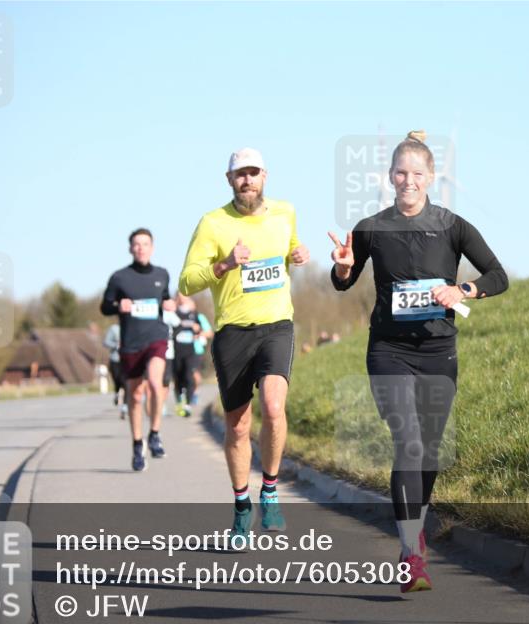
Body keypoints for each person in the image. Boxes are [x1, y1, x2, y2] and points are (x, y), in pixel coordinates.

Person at [329, 130, 508, 593]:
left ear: (431, 177)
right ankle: (411, 553)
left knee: (427, 452)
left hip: (438, 351)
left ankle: (416, 532)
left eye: (417, 174)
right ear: (390, 177)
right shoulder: (371, 228)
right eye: (401, 173)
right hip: (388, 350)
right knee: (407, 442)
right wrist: (345, 266)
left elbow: (497, 275)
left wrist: (463, 290)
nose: (409, 180)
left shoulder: (453, 226)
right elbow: (342, 282)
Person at [179, 147, 309, 541]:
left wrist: (298, 253)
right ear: (229, 179)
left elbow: (291, 247)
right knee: (237, 428)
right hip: (233, 331)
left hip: (276, 325)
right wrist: (224, 265)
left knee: (273, 406)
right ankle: (241, 504)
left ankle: (269, 490)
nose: (247, 180)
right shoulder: (212, 223)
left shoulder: (285, 213)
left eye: (253, 172)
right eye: (240, 174)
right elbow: (186, 282)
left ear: (265, 176)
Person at [100, 228, 176, 471]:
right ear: (130, 248)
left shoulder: (162, 274)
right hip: (131, 342)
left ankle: (154, 433)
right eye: (137, 244)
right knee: (134, 395)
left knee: (155, 384)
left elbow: (164, 299)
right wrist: (117, 306)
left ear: (152, 248)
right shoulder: (119, 278)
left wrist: (169, 303)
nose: (141, 248)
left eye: (145, 243)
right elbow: (105, 306)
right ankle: (136, 443)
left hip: (156, 337)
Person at [171, 292, 213, 417]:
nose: (182, 299)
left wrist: (199, 333)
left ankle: (188, 403)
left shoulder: (196, 316)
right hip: (176, 350)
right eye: (179, 297)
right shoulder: (173, 314)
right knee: (178, 377)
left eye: (185, 296)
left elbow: (209, 332)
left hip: (193, 350)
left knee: (190, 375)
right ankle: (180, 400)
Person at [102, 323, 127, 419]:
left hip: (127, 360)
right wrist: (116, 345)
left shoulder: (133, 326)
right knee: (117, 381)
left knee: (125, 383)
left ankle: (124, 407)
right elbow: (106, 342)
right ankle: (116, 394)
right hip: (115, 360)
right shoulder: (114, 329)